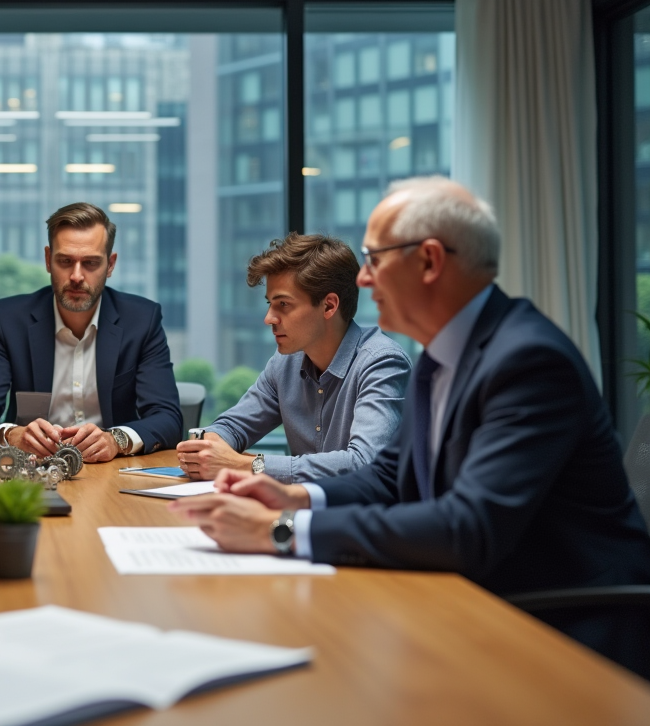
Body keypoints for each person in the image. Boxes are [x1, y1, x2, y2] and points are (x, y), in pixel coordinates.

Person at [170, 176, 650, 677]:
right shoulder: (441, 355)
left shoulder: (527, 360)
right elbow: (388, 475)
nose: (362, 279)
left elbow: (469, 525)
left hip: (567, 628)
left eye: (375, 259)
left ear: (429, 261)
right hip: (476, 596)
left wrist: (283, 531)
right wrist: (295, 498)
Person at [176, 233, 410, 483]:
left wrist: (250, 465)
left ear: (329, 306)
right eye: (270, 304)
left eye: (283, 304)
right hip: (301, 510)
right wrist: (210, 444)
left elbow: (364, 463)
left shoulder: (382, 362)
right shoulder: (285, 362)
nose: (269, 318)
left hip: (362, 517)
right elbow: (233, 426)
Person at [0, 202, 182, 462]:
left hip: (111, 471)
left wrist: (115, 440)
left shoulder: (142, 320)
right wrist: (13, 436)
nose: (77, 276)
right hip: (31, 472)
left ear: (110, 265)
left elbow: (168, 419)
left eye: (90, 263)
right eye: (65, 261)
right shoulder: (9, 319)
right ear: (48, 260)